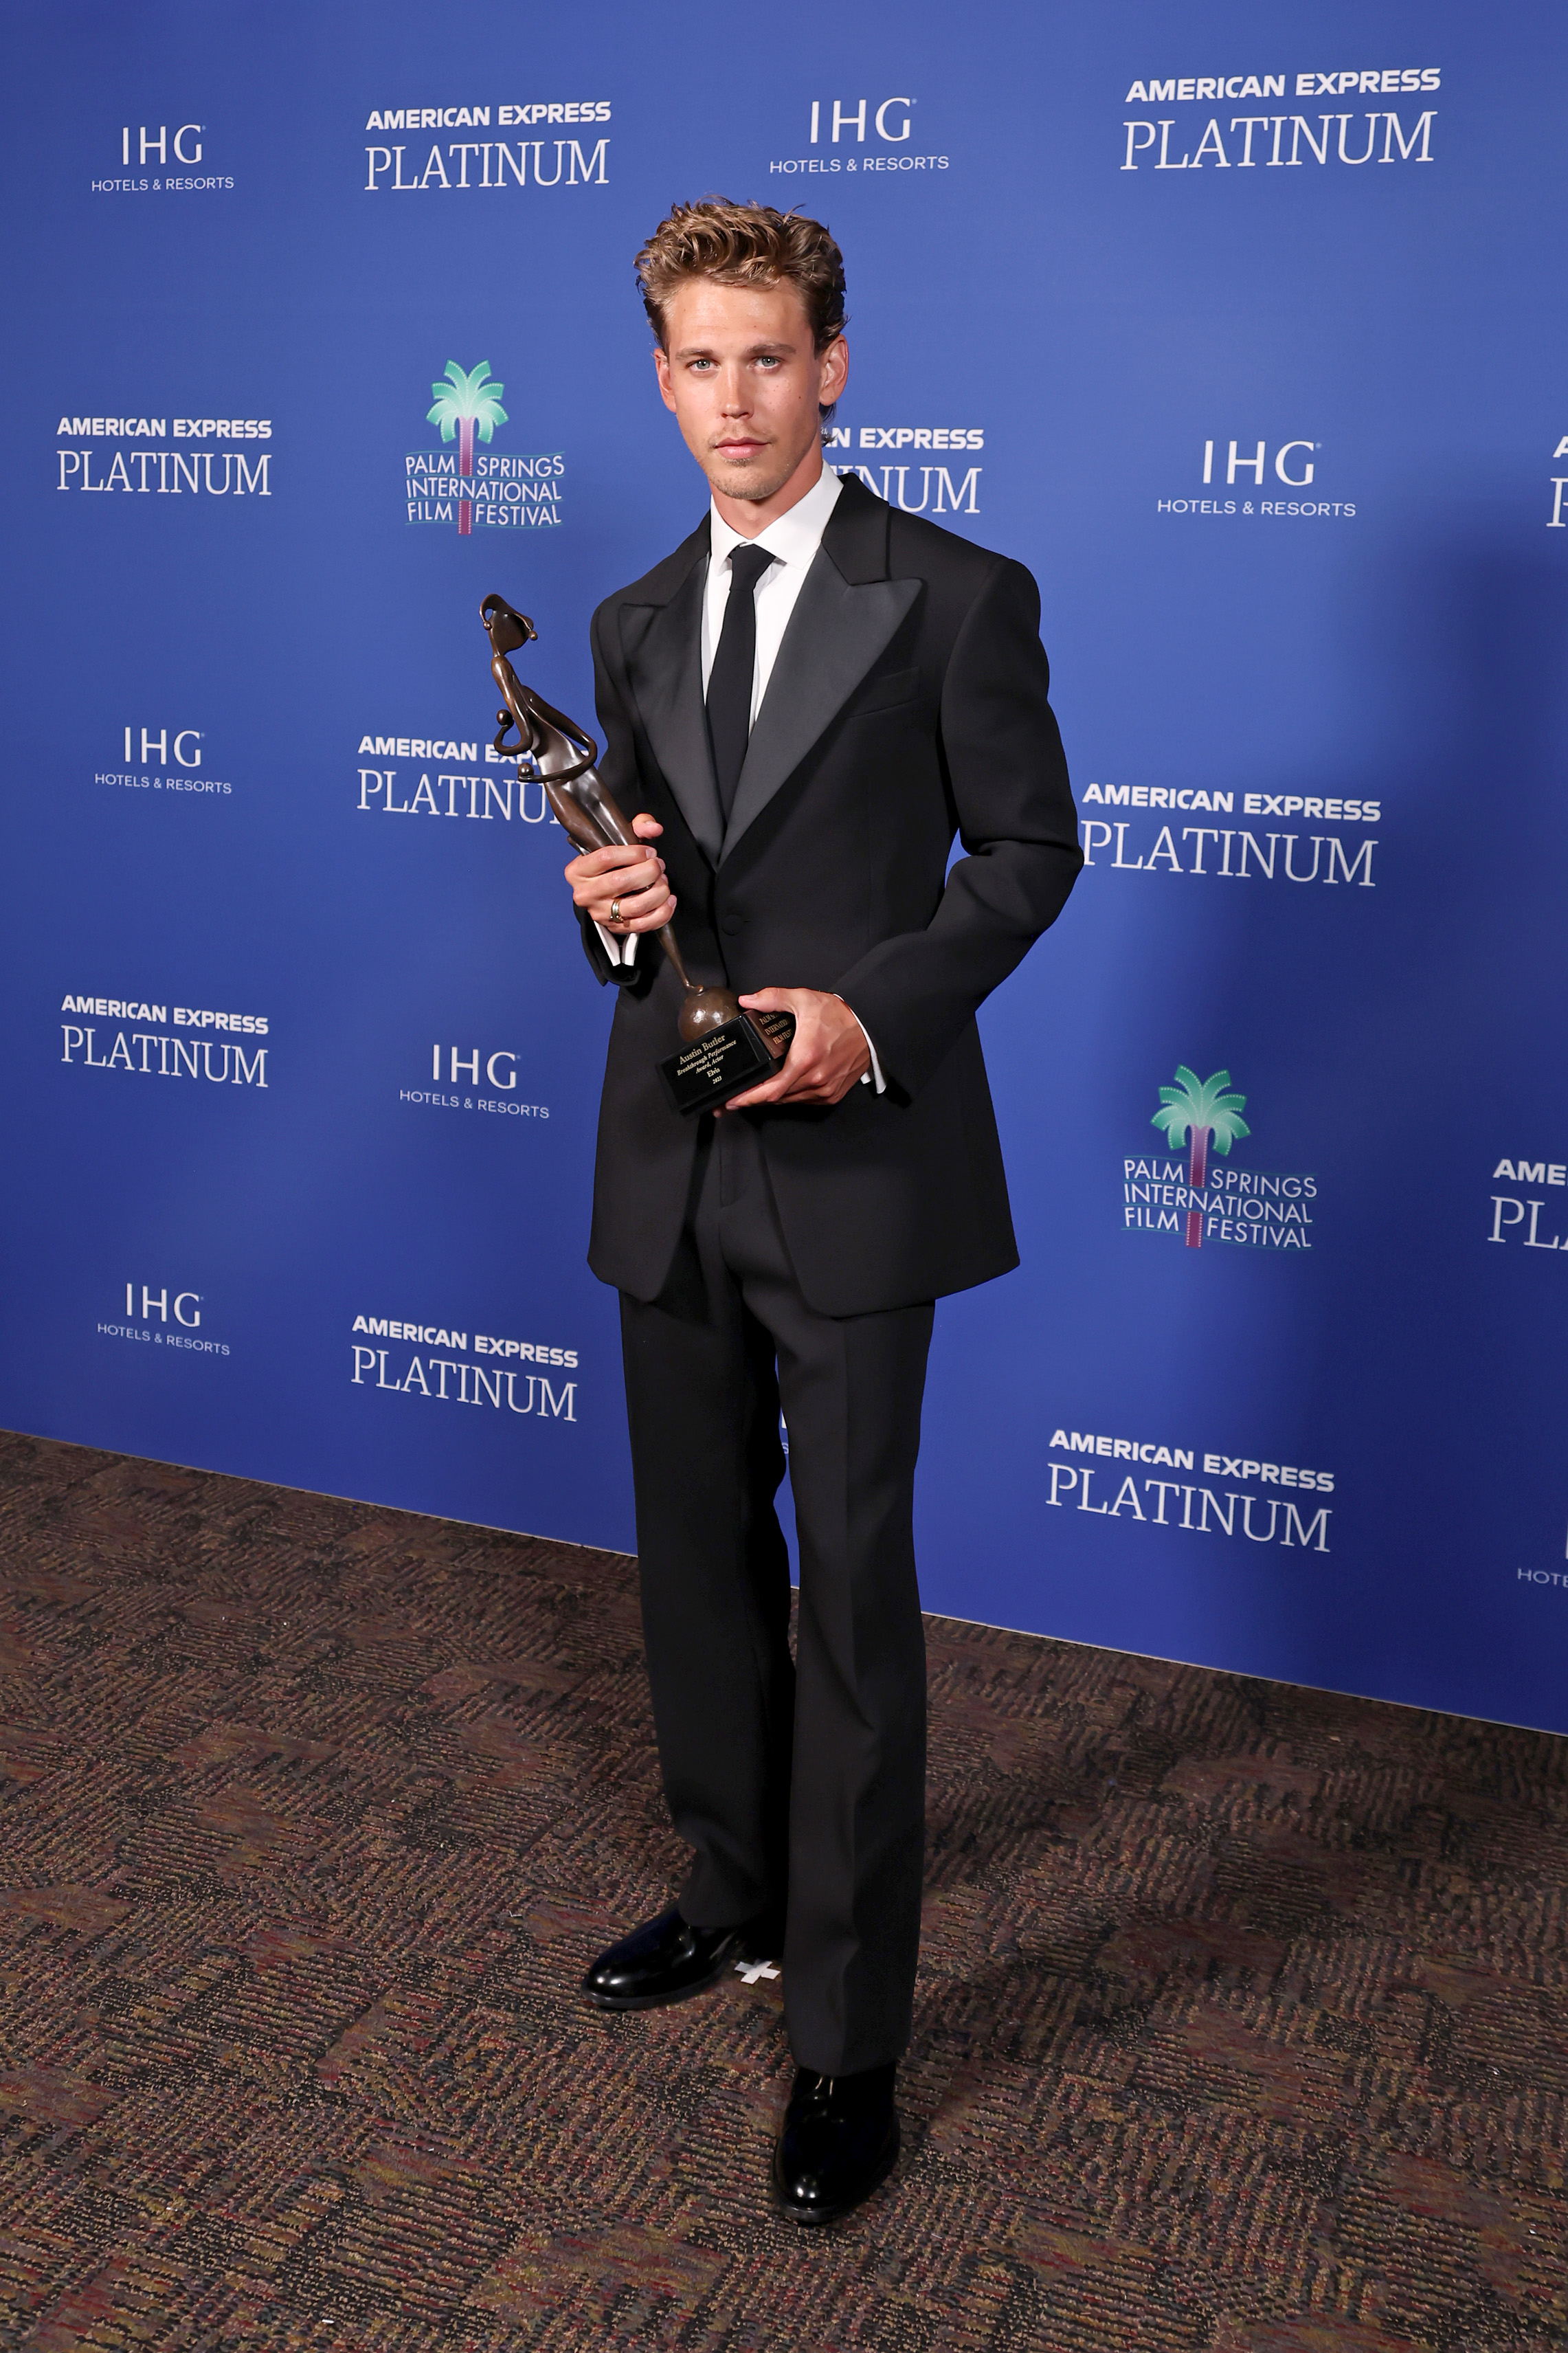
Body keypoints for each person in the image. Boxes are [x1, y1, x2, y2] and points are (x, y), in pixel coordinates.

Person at [564, 199, 1080, 2224]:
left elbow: (1027, 853)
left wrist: (872, 1017)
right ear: (662, 379)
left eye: (766, 357)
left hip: (856, 1164)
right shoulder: (628, 617)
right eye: (699, 363)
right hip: (671, 1154)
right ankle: (731, 1890)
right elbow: (643, 905)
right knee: (695, 1560)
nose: (735, 401)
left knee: (850, 1599)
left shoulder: (953, 595)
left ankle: (849, 2042)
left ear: (833, 366)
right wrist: (610, 912)